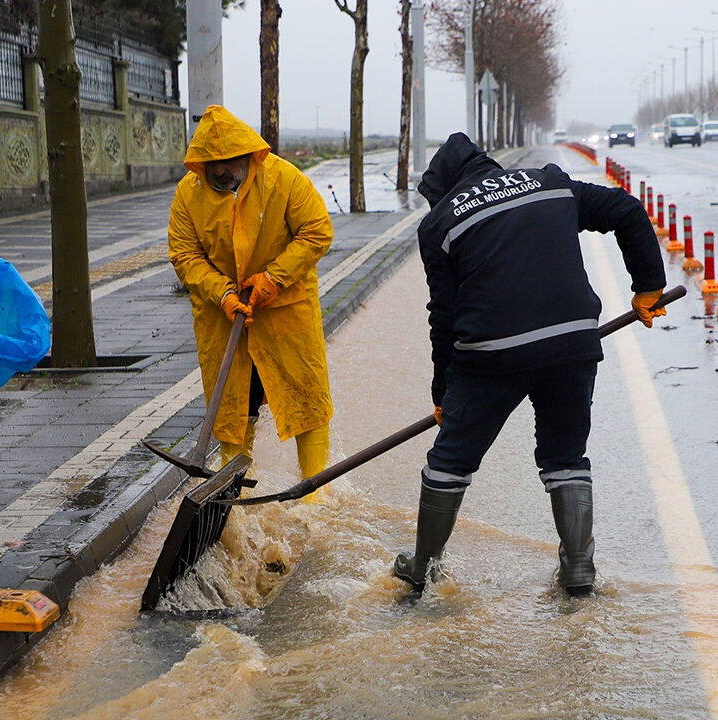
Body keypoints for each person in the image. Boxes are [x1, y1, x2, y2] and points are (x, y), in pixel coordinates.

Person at [393, 133, 667, 595]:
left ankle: (423, 568)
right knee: (565, 456)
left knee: (451, 460)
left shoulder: (440, 223)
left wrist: (443, 394)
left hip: (490, 354)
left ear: (444, 185)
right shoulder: (551, 183)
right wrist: (648, 285)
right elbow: (626, 209)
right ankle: (578, 567)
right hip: (572, 342)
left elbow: (443, 316)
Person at [168, 106, 334, 488]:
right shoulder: (187, 196)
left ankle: (315, 494)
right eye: (214, 163)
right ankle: (234, 491)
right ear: (201, 164)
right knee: (233, 407)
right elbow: (185, 256)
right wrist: (223, 293)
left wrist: (274, 278)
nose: (223, 170)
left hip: (284, 311)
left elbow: (316, 231)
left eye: (230, 161)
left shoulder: (284, 179)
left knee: (305, 400)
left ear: (248, 154)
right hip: (222, 318)